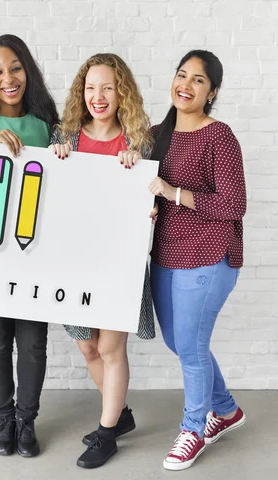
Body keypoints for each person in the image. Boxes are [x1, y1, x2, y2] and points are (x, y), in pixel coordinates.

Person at [49, 53, 156, 469]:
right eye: (90, 88)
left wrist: (142, 186)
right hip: (76, 261)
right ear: (81, 93)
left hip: (119, 261)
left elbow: (153, 199)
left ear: (121, 92)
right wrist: (52, 165)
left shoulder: (138, 140)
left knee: (111, 348)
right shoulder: (66, 138)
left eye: (107, 88)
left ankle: (107, 434)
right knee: (89, 346)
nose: (98, 96)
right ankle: (121, 415)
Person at [148, 50, 247, 471]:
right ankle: (226, 409)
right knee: (179, 342)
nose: (185, 85)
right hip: (166, 253)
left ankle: (194, 428)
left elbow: (234, 204)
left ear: (213, 92)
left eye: (198, 80)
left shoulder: (218, 136)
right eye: (181, 75)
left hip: (209, 255)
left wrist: (172, 193)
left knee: (190, 344)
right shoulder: (157, 132)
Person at [0, 34, 59, 458]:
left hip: (35, 249)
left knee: (34, 342)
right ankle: (4, 419)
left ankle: (27, 420)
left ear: (28, 70)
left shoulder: (45, 120)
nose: (8, 78)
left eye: (15, 68)